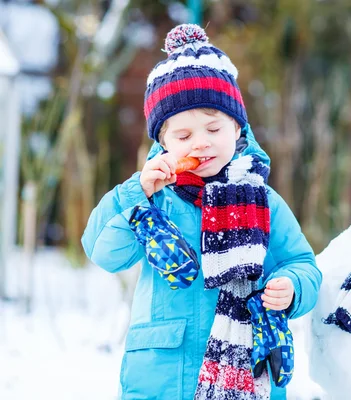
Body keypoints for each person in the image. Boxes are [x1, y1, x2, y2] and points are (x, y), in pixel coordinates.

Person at [81, 23, 322, 400]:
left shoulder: (263, 201)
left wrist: (292, 287)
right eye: (183, 136)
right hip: (163, 375)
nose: (202, 143)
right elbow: (103, 252)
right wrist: (135, 193)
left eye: (214, 128)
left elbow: (303, 263)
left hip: (246, 369)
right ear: (163, 143)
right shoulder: (152, 199)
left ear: (237, 129)